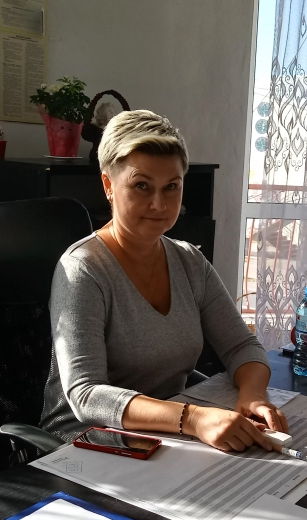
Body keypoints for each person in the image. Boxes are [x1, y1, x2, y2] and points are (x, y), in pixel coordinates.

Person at [41, 109, 288, 451]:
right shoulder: (83, 269)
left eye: (171, 187)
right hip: (89, 439)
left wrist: (253, 396)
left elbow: (241, 346)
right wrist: (194, 419)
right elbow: (87, 394)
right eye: (141, 185)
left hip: (170, 429)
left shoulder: (189, 261)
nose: (159, 204)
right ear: (109, 185)